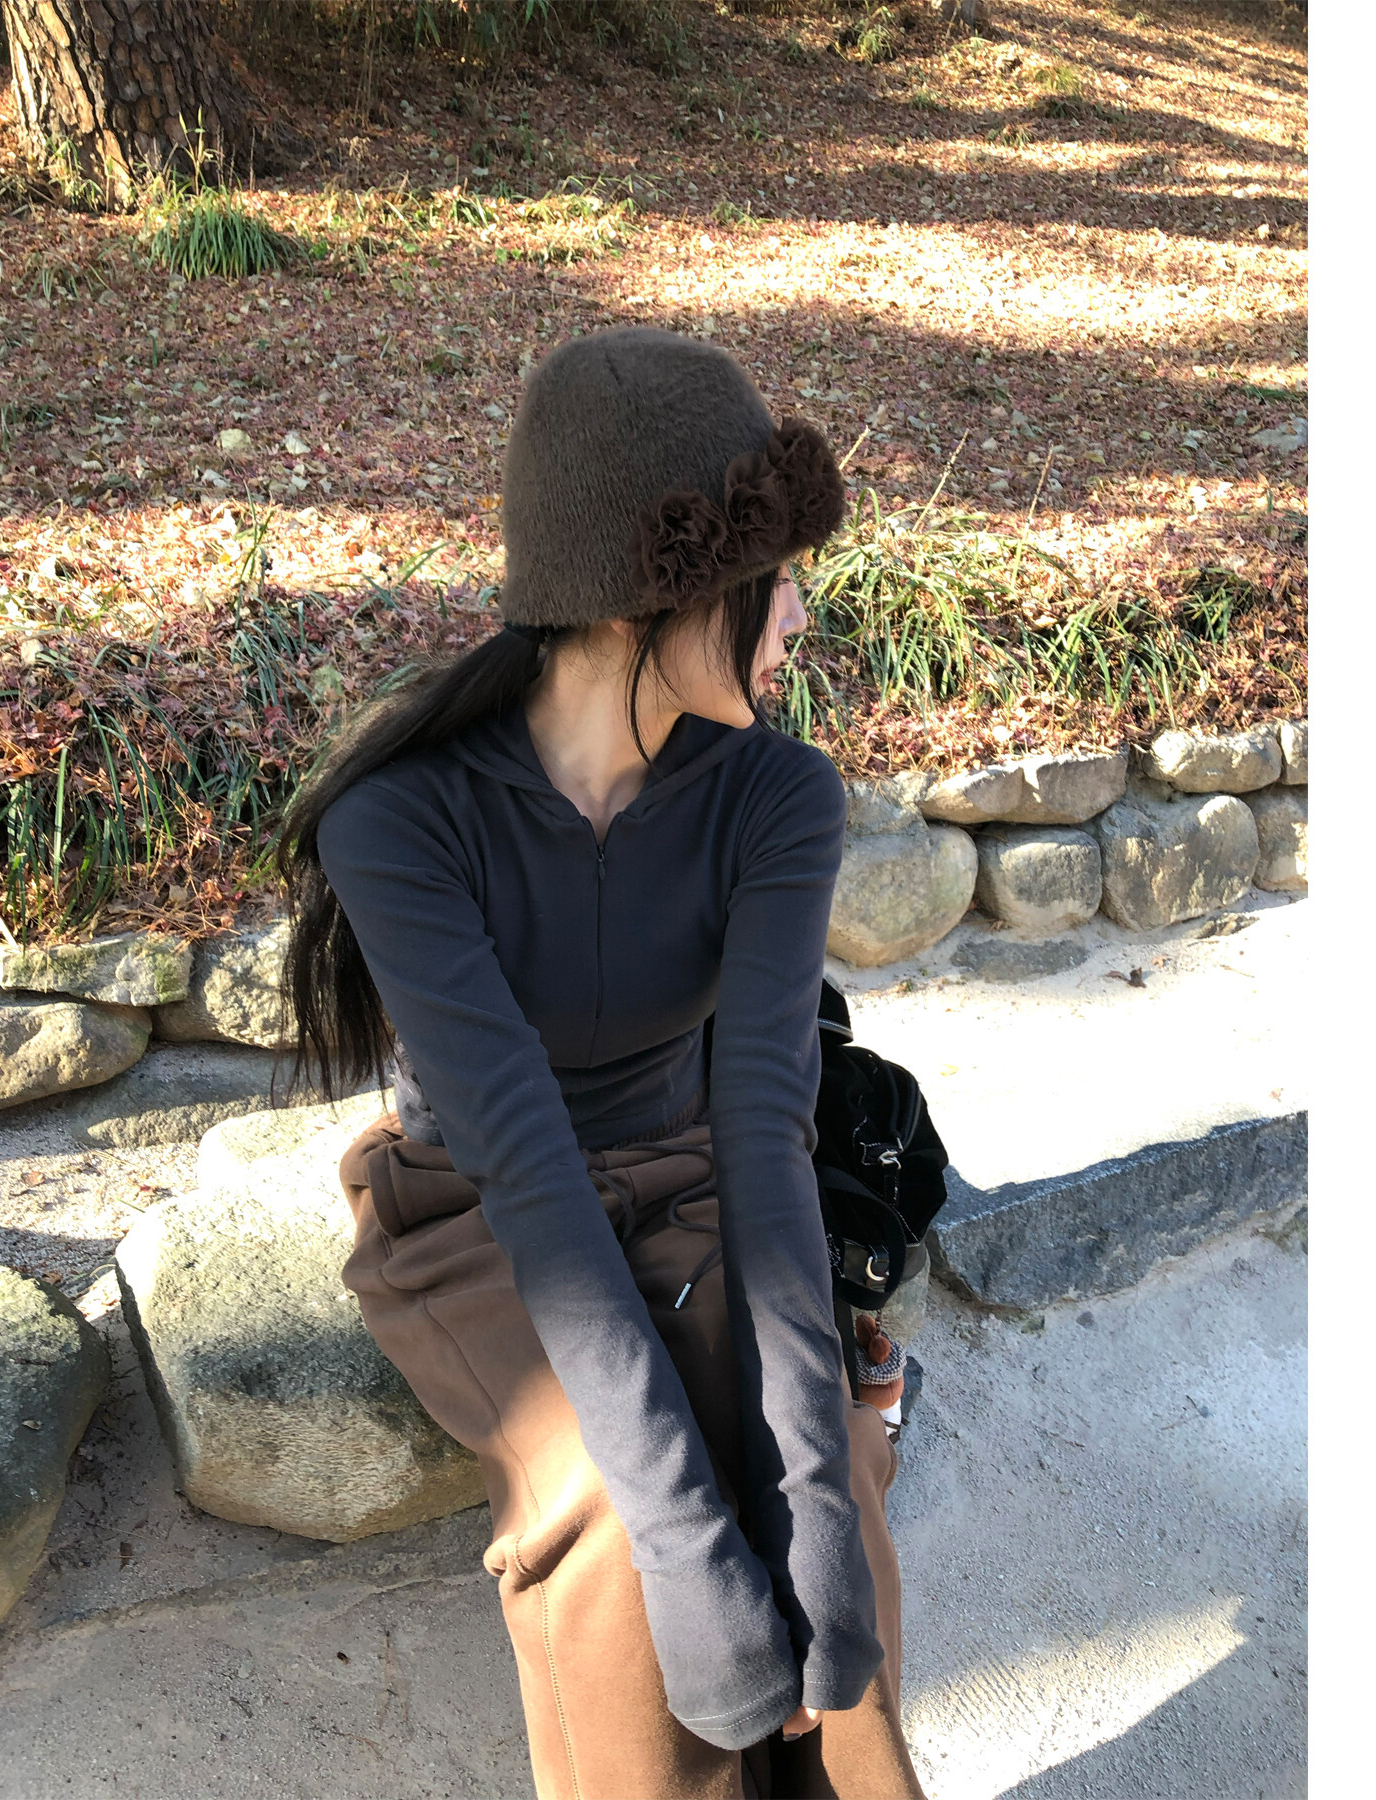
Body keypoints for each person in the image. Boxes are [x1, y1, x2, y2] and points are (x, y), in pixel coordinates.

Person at [279, 326, 926, 1800]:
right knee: (616, 1527)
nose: (799, 611)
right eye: (772, 575)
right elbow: (520, 1160)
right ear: (652, 601)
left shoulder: (776, 794)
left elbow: (764, 1128)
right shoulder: (401, 821)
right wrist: (691, 1549)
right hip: (475, 1209)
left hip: (694, 1166)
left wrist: (817, 1504)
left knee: (825, 1503)